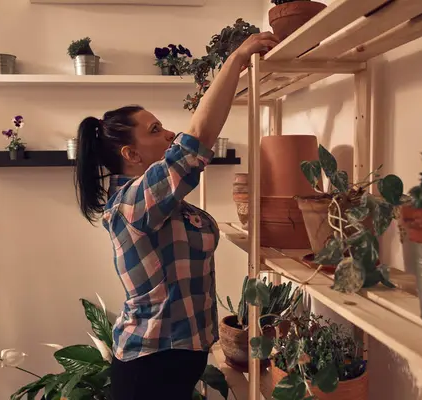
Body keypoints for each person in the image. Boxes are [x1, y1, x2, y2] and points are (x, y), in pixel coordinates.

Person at [74, 32, 279, 400]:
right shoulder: (131, 203)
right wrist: (237, 59)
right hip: (150, 368)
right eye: (155, 130)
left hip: (174, 362)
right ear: (131, 155)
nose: (169, 133)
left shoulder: (160, 201)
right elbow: (196, 138)